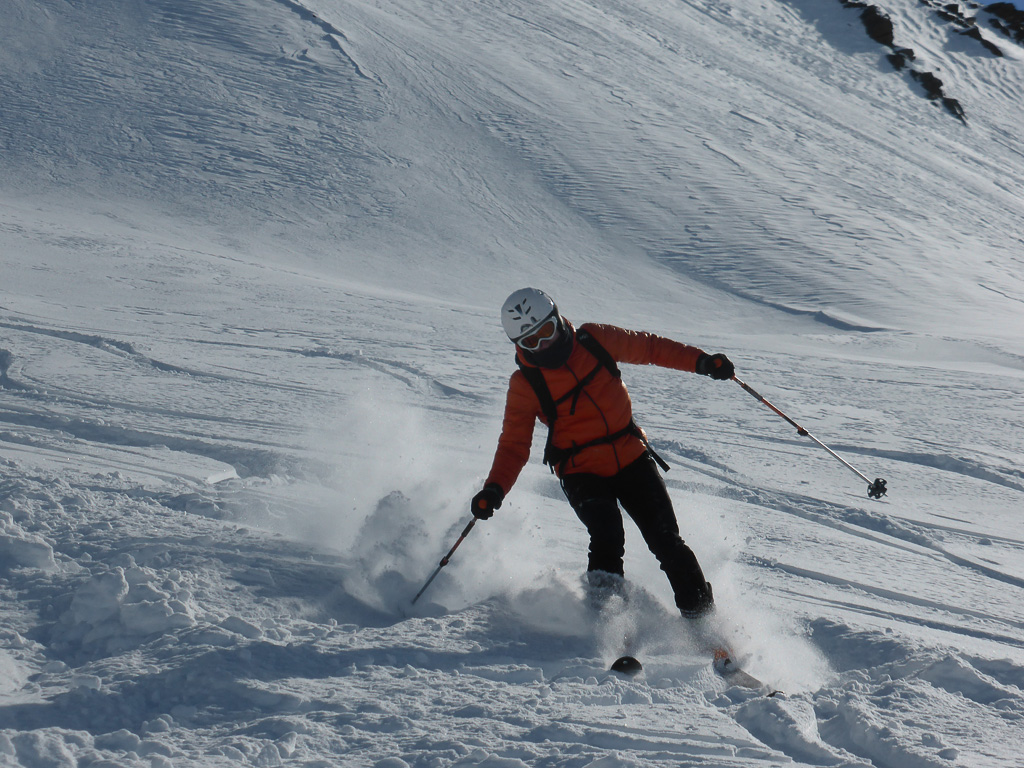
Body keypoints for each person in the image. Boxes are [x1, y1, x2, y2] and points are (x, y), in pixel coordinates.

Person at [471, 287, 735, 619]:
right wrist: (494, 489)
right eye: (531, 342)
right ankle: (607, 621)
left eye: (547, 331)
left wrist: (702, 362)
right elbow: (513, 445)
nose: (544, 345)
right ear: (519, 345)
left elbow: (650, 348)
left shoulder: (594, 340)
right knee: (607, 534)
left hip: (630, 455)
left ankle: (703, 622)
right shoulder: (525, 384)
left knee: (665, 539)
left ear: (557, 320)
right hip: (580, 470)